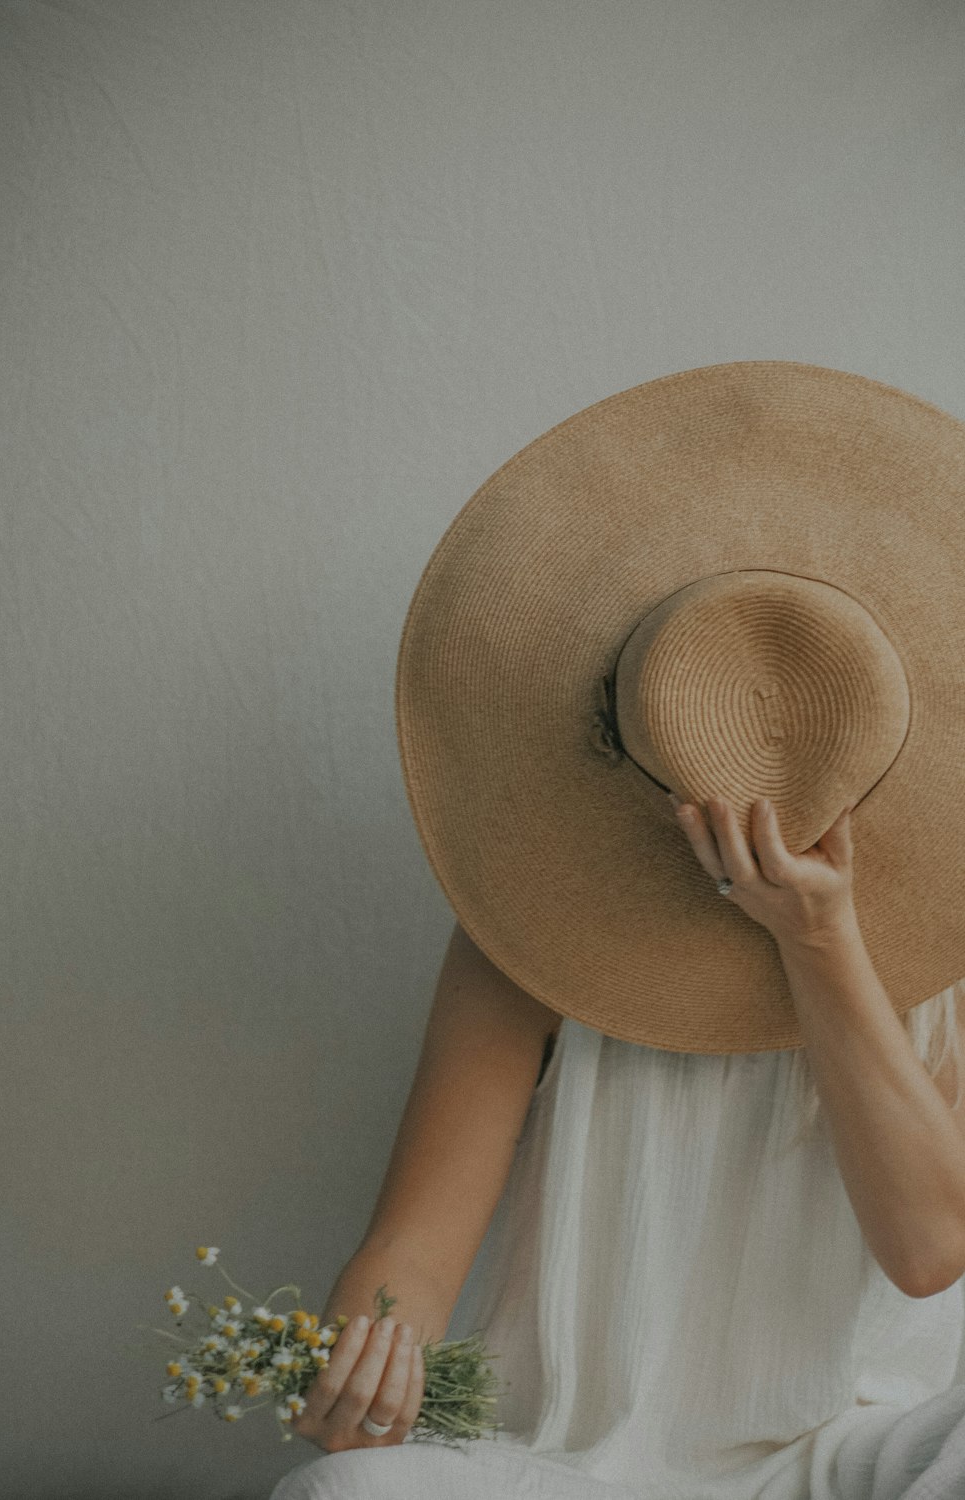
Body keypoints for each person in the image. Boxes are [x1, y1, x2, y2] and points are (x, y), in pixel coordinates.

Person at [269, 362, 965, 1496]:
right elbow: (410, 1254)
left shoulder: (944, 950)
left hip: (840, 1459)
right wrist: (351, 1380)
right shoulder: (526, 935)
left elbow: (932, 1250)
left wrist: (821, 946)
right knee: (338, 1495)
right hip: (571, 1470)